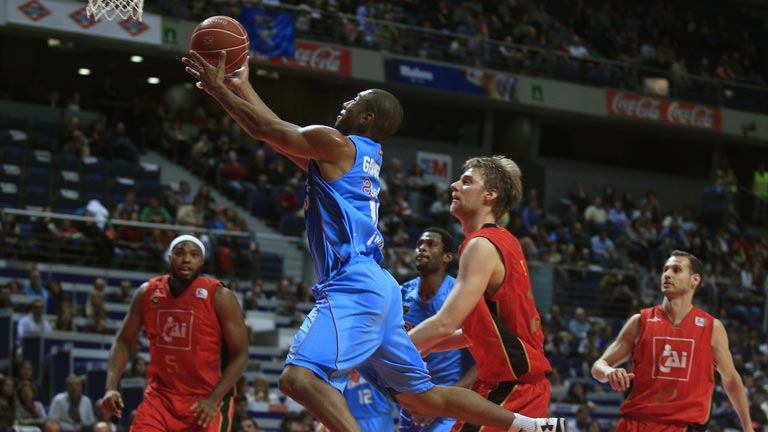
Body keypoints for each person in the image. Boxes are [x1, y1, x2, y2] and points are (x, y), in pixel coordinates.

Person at [183, 53, 564, 432]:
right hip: (380, 288)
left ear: (366, 118)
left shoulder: (336, 144)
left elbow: (266, 129)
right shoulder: (354, 157)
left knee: (297, 380)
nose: (344, 104)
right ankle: (535, 427)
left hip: (354, 283)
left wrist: (219, 91)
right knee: (423, 398)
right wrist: (242, 85)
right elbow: (277, 137)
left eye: (354, 101)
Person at [408, 156, 559, 431]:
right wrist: (424, 345)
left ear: (490, 194)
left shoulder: (481, 245)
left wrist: (388, 348)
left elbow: (444, 323)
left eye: (466, 182)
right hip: (510, 387)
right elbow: (477, 332)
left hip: (513, 390)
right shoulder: (505, 240)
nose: (454, 186)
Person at [99, 234, 249, 431]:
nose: (186, 259)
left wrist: (214, 399)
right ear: (169, 258)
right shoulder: (147, 293)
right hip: (161, 398)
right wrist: (111, 387)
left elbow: (240, 354)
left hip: (207, 399)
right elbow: (123, 342)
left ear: (202, 261)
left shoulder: (220, 296)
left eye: (194, 254)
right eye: (180, 253)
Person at [591, 250, 753, 431]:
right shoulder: (640, 321)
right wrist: (609, 371)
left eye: (676, 270)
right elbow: (598, 367)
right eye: (665, 269)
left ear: (694, 280)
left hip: (681, 425)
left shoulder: (711, 327)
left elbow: (731, 379)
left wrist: (748, 427)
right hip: (635, 423)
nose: (667, 274)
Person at [400, 227, 476, 432]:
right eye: (419, 244)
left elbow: (483, 362)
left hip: (448, 405)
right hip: (411, 403)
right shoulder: (402, 293)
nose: (422, 248)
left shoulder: (461, 294)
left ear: (447, 257)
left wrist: (442, 402)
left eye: (431, 244)